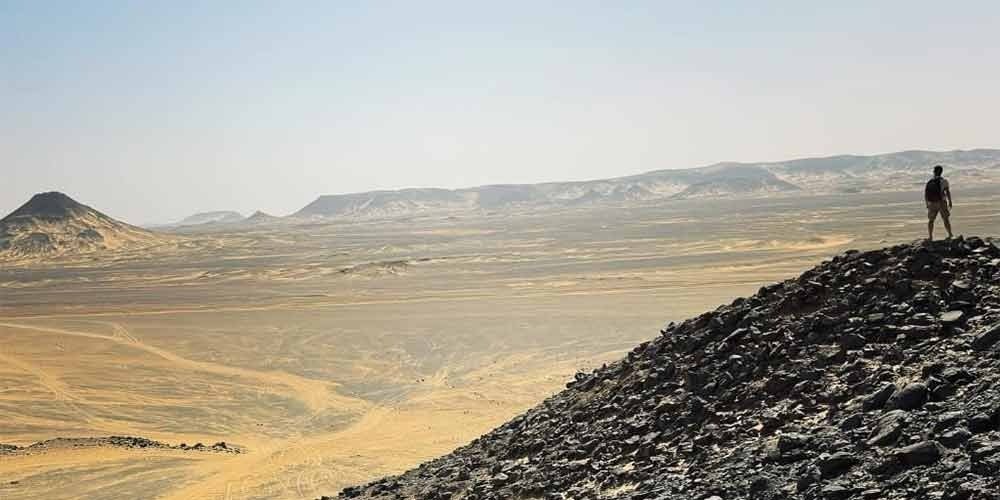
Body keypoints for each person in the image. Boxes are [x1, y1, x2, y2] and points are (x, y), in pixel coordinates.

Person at [925, 165, 953, 240]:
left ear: (934, 172)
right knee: (945, 219)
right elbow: (947, 192)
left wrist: (927, 203)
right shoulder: (944, 181)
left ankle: (930, 237)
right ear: (941, 172)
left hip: (932, 203)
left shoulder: (930, 181)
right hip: (941, 202)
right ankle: (950, 234)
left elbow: (926, 193)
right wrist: (950, 202)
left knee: (931, 220)